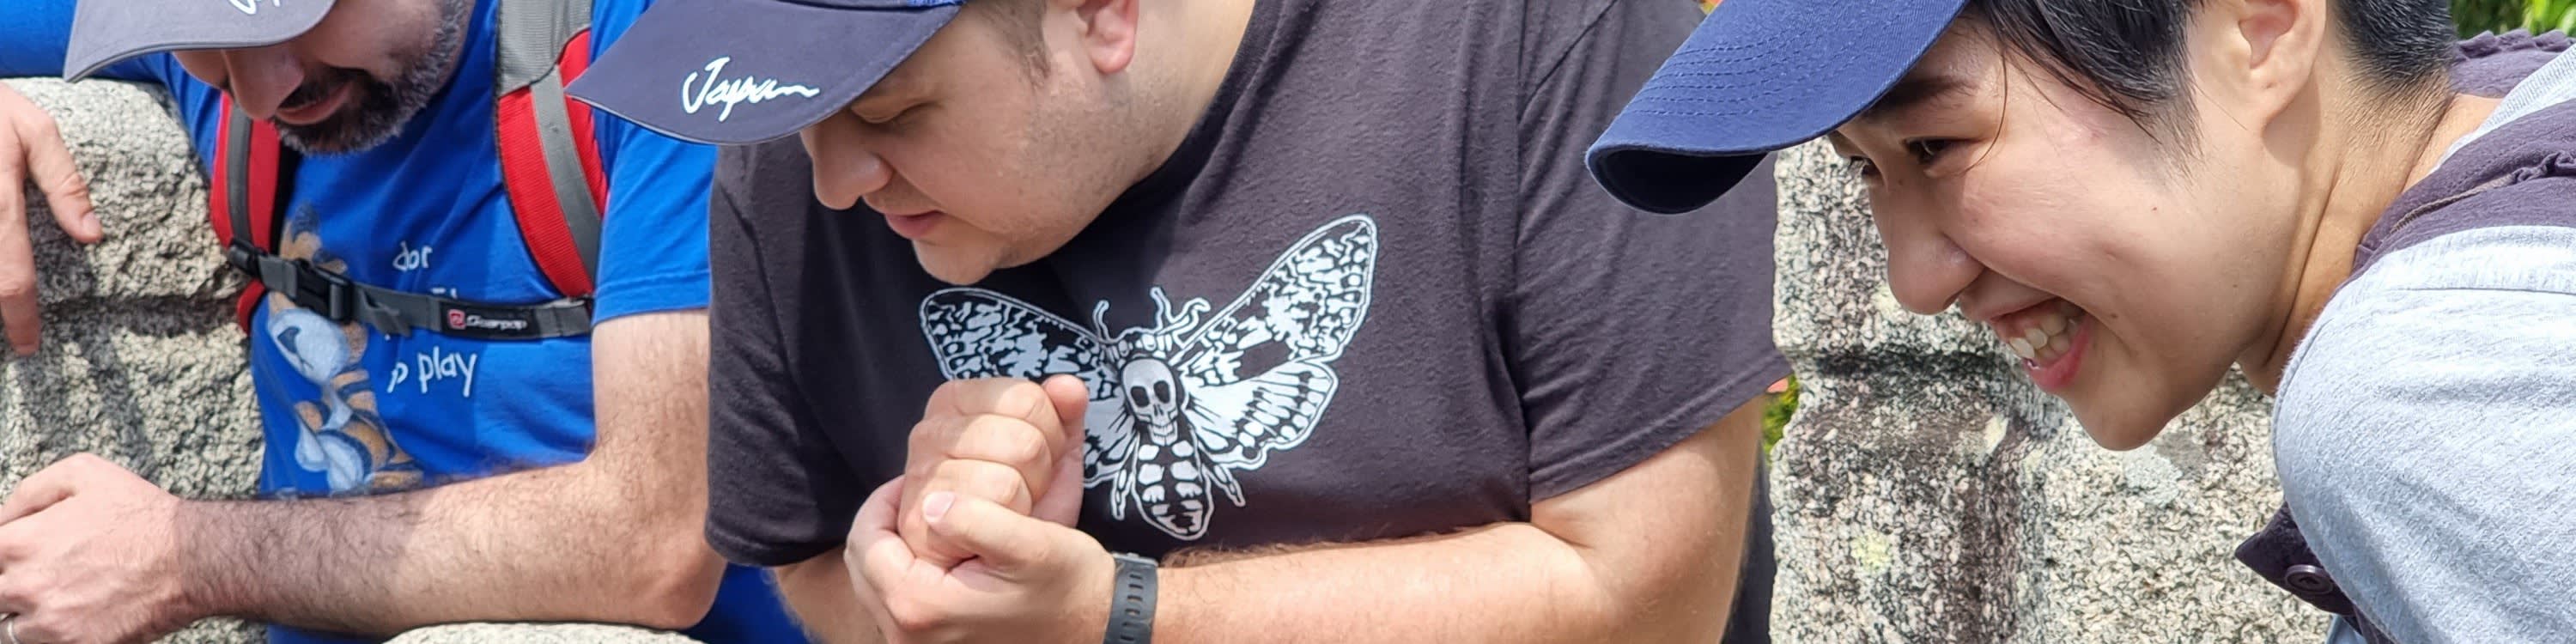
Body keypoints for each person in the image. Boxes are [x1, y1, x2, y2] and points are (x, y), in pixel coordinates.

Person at [566, 0, 1790, 641]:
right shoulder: (788, 163)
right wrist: (909, 579)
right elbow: (804, 554)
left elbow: (1646, 603)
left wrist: (1118, 617)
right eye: (800, 114)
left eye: (889, 110)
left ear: (1102, 11)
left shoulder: (1541, 39)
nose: (834, 180)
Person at [1588, 0, 2576, 641]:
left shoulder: (2417, 389)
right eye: (1864, 170)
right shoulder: (2522, 109)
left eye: (1933, 145)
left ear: (2261, 29)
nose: (1916, 282)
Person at [0, 0, 808, 641]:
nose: (258, 94)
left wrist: (182, 556)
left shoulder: (667, 47)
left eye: (297, 17)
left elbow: (651, 547)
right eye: (205, 40)